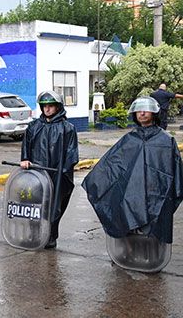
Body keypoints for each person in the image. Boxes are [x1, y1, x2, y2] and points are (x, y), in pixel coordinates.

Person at [83, 96, 183, 243]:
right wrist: (95, 181)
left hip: (156, 194)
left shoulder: (166, 141)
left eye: (146, 110)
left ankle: (152, 258)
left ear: (154, 113)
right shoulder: (129, 139)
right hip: (132, 194)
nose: (142, 113)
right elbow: (112, 165)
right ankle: (128, 255)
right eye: (139, 111)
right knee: (130, 227)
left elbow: (174, 173)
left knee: (152, 232)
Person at [20, 90, 79, 249]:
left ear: (57, 107)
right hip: (36, 173)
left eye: (51, 106)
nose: (47, 109)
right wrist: (25, 159)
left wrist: (64, 171)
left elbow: (72, 153)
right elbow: (26, 145)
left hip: (57, 174)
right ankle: (34, 234)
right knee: (35, 204)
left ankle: (51, 235)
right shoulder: (34, 126)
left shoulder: (67, 128)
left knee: (54, 206)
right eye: (44, 106)